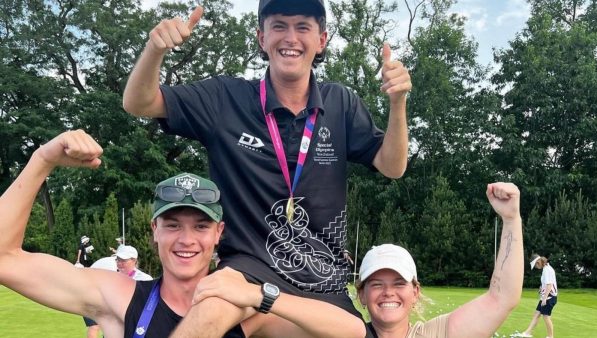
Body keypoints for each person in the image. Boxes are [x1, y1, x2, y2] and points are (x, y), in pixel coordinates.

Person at [123, 0, 410, 334]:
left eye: (303, 27)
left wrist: (398, 102)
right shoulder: (225, 98)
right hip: (247, 269)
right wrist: (155, 50)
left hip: (322, 279)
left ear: (322, 40)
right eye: (278, 26)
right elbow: (138, 102)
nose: (290, 37)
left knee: (355, 333)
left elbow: (393, 166)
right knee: (212, 308)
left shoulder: (340, 103)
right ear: (261, 37)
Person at [0, 130, 364, 338]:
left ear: (219, 233)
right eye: (173, 225)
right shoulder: (120, 297)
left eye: (201, 226)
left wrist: (260, 296)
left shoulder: (245, 312)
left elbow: (352, 333)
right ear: (154, 230)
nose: (187, 239)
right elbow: (5, 259)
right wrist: (42, 160)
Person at [356, 182, 523, 338]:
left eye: (399, 283)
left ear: (415, 293)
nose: (388, 292)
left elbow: (501, 298)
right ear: (362, 294)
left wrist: (511, 220)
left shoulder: (436, 334)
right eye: (377, 284)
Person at [514, 254, 558, 338]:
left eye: (535, 265)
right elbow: (546, 284)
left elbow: (549, 285)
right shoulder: (546, 269)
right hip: (545, 297)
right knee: (537, 314)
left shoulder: (547, 270)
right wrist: (541, 289)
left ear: (538, 262)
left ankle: (550, 336)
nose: (536, 267)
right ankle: (527, 333)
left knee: (546, 317)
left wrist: (544, 299)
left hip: (549, 297)